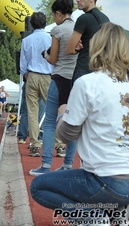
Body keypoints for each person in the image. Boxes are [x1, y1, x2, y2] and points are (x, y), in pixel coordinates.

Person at [30, 22, 129, 225]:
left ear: (97, 46)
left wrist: (61, 114)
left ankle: (92, 218)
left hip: (104, 180)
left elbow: (66, 135)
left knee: (39, 187)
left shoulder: (88, 83)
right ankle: (119, 214)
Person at [29, 0, 78, 176]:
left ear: (58, 13)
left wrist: (45, 55)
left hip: (59, 78)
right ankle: (67, 164)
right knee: (73, 122)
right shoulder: (79, 28)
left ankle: (46, 164)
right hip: (75, 80)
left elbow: (54, 59)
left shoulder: (58, 30)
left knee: (49, 122)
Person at [19, 12, 53, 157]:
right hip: (48, 76)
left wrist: (26, 74)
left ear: (31, 24)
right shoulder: (51, 38)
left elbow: (22, 63)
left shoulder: (26, 40)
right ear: (45, 23)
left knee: (32, 112)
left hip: (32, 75)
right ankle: (59, 145)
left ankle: (34, 145)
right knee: (53, 110)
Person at [66, 0, 109, 83]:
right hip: (101, 71)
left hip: (84, 69)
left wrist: (77, 49)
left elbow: (69, 50)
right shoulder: (106, 19)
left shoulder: (84, 19)